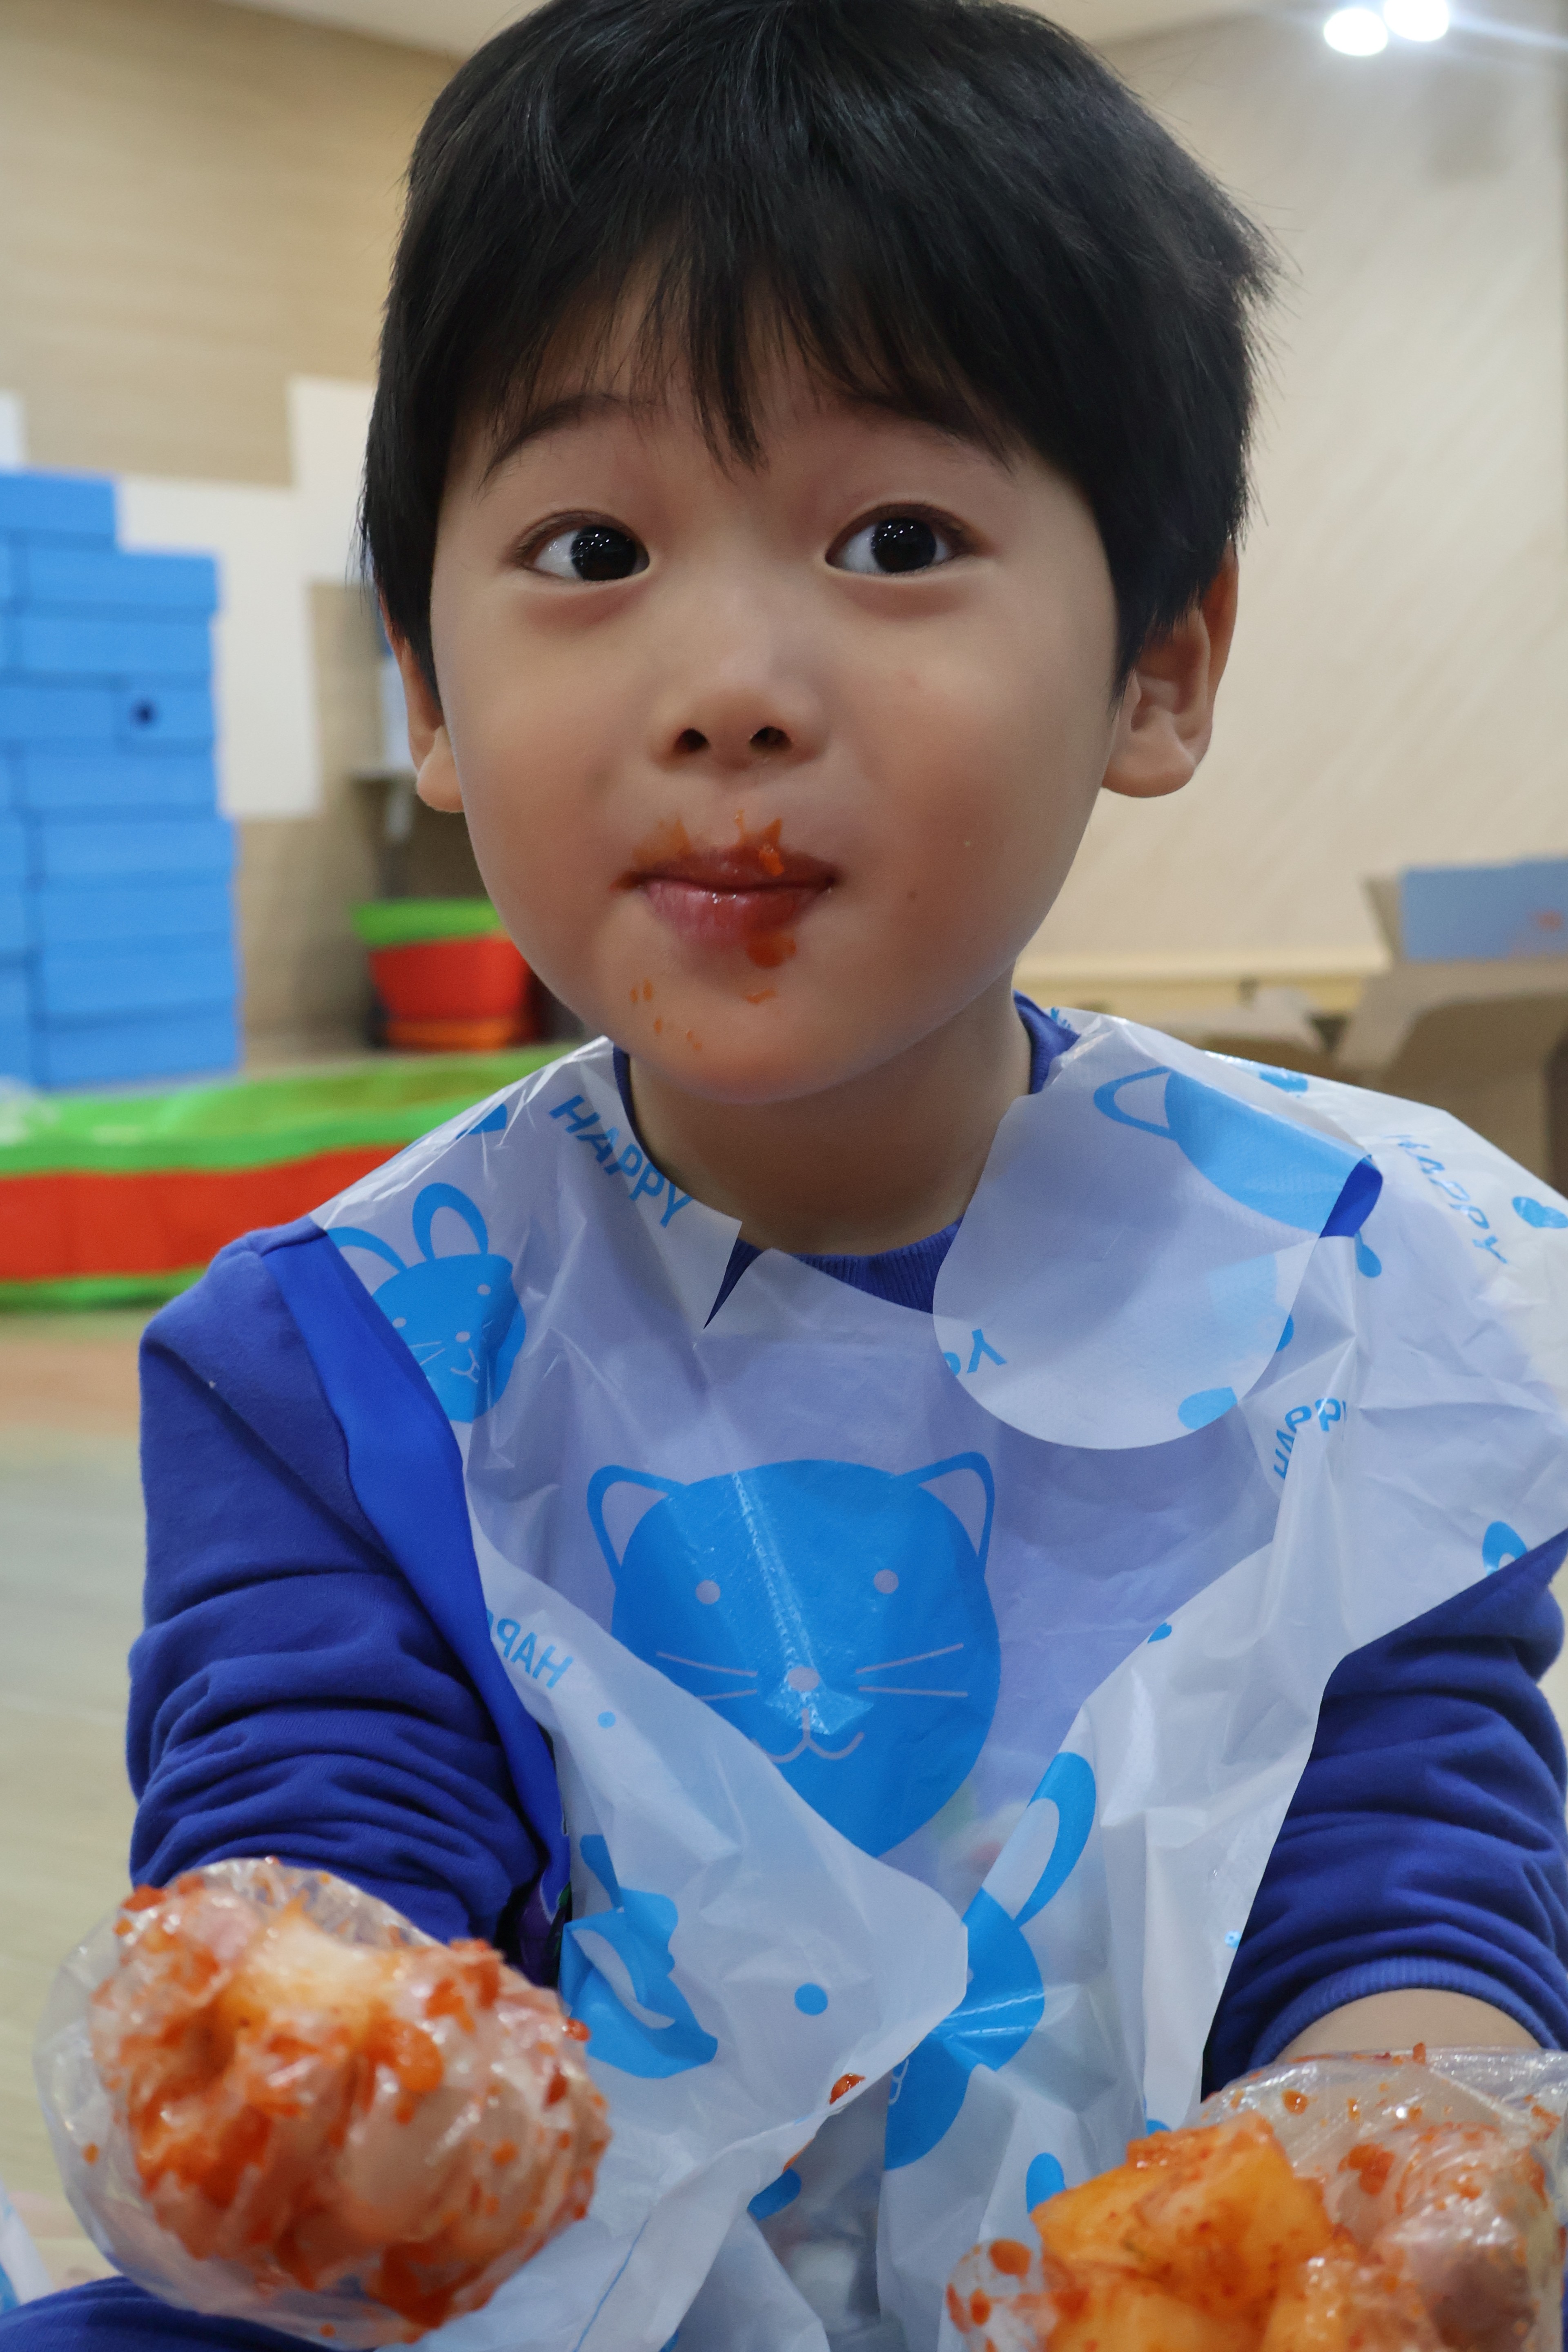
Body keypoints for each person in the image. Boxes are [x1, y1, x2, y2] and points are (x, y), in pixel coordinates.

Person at [11, 1, 1568, 2345]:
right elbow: (323, 1828)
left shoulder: (1355, 1301)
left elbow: (1399, 1875)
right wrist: (300, 2072)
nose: (729, 682)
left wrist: (1393, 2152)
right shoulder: (343, 1356)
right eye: (592, 544)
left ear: (1161, 659)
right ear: (427, 687)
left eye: (896, 538)